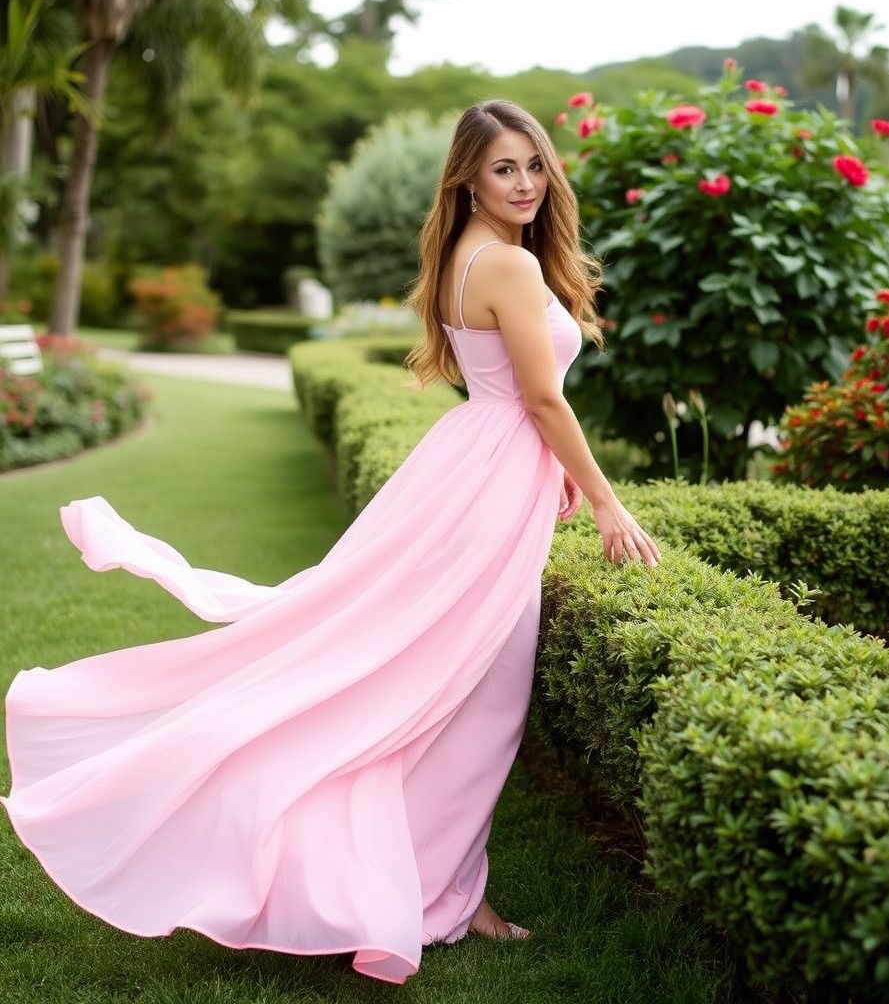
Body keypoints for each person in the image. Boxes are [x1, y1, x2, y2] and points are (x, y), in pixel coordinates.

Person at [1, 99, 660, 986]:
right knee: (477, 703)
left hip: (481, 467)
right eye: (506, 168)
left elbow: (518, 395)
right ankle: (446, 899)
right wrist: (612, 502)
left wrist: (564, 473)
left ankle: (444, 890)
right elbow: (542, 400)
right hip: (489, 480)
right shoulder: (502, 262)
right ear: (467, 176)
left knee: (442, 693)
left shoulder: (472, 254)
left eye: (535, 166)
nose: (528, 183)